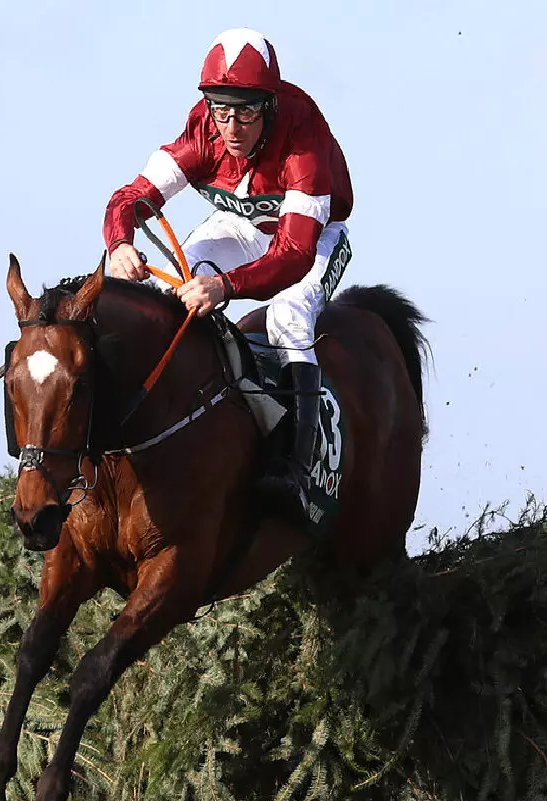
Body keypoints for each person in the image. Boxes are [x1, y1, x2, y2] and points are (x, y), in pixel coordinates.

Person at [103, 27, 354, 522]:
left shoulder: (304, 139)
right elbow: (128, 199)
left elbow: (294, 253)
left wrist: (226, 286)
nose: (233, 127)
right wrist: (120, 244)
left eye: (246, 110)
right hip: (239, 227)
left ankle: (297, 470)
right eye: (222, 109)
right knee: (174, 287)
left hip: (310, 237)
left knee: (287, 318)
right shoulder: (203, 130)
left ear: (270, 105)